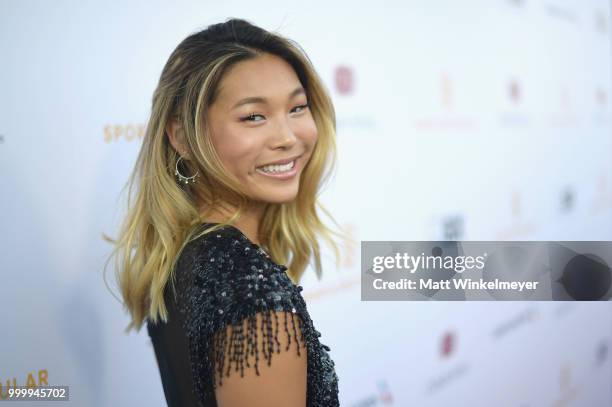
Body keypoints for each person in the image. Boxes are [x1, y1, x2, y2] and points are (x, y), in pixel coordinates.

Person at [104, 17, 349, 407]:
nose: (288, 137)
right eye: (254, 116)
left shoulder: (182, 254)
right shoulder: (251, 291)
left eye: (298, 108)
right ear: (181, 135)